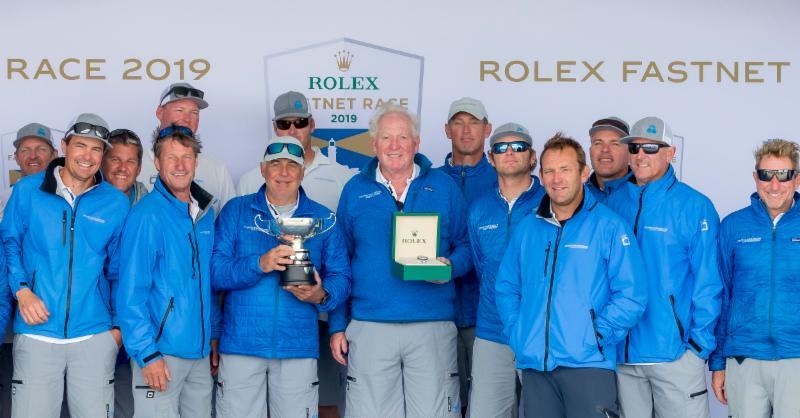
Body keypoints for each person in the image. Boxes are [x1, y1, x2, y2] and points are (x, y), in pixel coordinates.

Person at [329, 104, 471, 417]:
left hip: (431, 324)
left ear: (416, 143)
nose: (395, 146)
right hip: (370, 325)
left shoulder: (444, 187)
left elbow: (466, 246)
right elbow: (340, 262)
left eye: (403, 137)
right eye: (387, 138)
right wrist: (337, 325)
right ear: (374, 144)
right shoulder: (354, 190)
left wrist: (450, 268)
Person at [495, 132, 646, 418]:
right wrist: (519, 333)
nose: (557, 178)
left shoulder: (609, 226)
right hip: (536, 365)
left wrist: (597, 336)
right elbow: (506, 287)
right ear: (541, 175)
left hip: (588, 365)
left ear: (583, 172)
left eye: (565, 170)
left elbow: (631, 295)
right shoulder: (528, 229)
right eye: (549, 171)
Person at [212, 135, 351, 418]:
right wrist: (259, 263)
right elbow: (215, 272)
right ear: (263, 169)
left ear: (303, 172)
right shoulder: (236, 211)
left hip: (296, 346)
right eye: (276, 164)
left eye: (292, 165)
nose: (284, 172)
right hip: (241, 344)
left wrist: (321, 295)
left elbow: (342, 277)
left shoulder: (325, 219)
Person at [237, 91, 356, 417]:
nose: (291, 129)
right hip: (262, 319)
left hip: (320, 311)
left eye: (299, 122)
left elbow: (343, 261)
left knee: (323, 400)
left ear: (312, 125)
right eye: (283, 123)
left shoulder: (342, 175)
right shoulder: (249, 180)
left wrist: (333, 316)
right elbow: (231, 254)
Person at [1, 113, 129, 417]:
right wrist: (21, 291)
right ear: (64, 146)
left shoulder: (116, 202)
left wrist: (118, 329)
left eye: (96, 149)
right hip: (37, 333)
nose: (87, 156)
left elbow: (122, 271)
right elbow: (10, 244)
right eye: (81, 146)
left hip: (94, 336)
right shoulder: (28, 191)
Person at [606, 116, 722, 418]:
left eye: (651, 148)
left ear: (671, 153)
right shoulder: (612, 204)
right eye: (635, 149)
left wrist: (698, 347)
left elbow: (709, 282)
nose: (641, 155)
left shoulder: (695, 206)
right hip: (623, 358)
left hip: (674, 355)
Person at [117, 125, 220, 417]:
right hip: (160, 354)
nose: (179, 165)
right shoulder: (146, 215)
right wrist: (147, 353)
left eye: (186, 156)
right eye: (171, 157)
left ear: (196, 161)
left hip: (198, 356)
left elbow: (204, 283)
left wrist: (212, 333)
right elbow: (130, 294)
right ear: (157, 162)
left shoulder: (204, 213)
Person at [710, 138, 800, 417]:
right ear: (755, 177)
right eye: (766, 175)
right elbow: (722, 294)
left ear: (796, 179)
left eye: (783, 175)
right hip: (744, 358)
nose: (774, 185)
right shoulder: (733, 226)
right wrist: (718, 363)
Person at [465, 122, 544, 417]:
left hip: (540, 332)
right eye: (501, 147)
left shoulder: (552, 202)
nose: (510, 152)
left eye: (519, 146)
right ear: (490, 157)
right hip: (491, 333)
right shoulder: (479, 209)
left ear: (532, 156)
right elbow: (480, 266)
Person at [436, 97, 495, 414]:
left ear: (488, 128)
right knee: (444, 404)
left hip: (487, 318)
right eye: (458, 122)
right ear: (446, 130)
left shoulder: (503, 178)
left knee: (490, 405)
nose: (466, 130)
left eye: (473, 122)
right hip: (437, 313)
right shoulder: (427, 181)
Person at [0, 122, 58, 418]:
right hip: (12, 335)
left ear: (55, 154)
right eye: (25, 150)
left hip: (50, 329)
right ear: (16, 158)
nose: (33, 156)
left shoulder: (69, 200)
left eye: (40, 149)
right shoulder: (8, 199)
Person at [100, 128, 149, 418]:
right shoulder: (88, 202)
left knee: (139, 402)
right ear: (104, 161)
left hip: (141, 321)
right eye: (115, 159)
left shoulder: (151, 206)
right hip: (97, 321)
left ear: (140, 167)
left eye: (130, 161)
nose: (122, 168)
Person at [137, 82, 236, 216]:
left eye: (194, 112)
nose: (187, 119)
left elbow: (230, 223)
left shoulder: (217, 169)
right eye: (179, 110)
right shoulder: (134, 166)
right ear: (160, 112)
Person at [585, 117, 632, 202]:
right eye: (598, 143)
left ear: (629, 152)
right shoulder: (578, 196)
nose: (605, 149)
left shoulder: (646, 194)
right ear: (590, 150)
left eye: (614, 144)